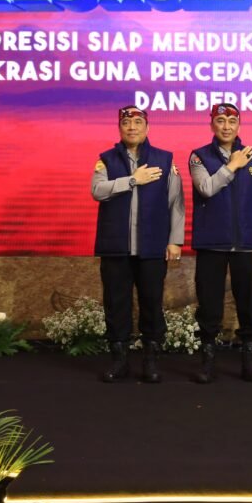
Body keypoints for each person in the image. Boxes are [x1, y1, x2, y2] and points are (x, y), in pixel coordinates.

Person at [92, 106, 184, 383]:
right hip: (115, 246)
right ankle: (119, 361)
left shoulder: (164, 159)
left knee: (152, 303)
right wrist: (132, 180)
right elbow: (97, 190)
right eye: (126, 123)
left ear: (147, 127)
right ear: (119, 128)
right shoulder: (106, 159)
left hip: (152, 246)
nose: (131, 127)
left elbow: (176, 203)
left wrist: (175, 240)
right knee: (115, 304)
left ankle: (150, 360)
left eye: (137, 122)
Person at [189, 103, 252, 383]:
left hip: (247, 242)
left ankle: (249, 362)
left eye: (232, 121)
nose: (226, 126)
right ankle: (207, 363)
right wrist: (231, 166)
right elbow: (206, 188)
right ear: (212, 124)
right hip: (211, 243)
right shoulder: (199, 156)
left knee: (248, 305)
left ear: (239, 125)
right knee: (209, 305)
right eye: (220, 121)